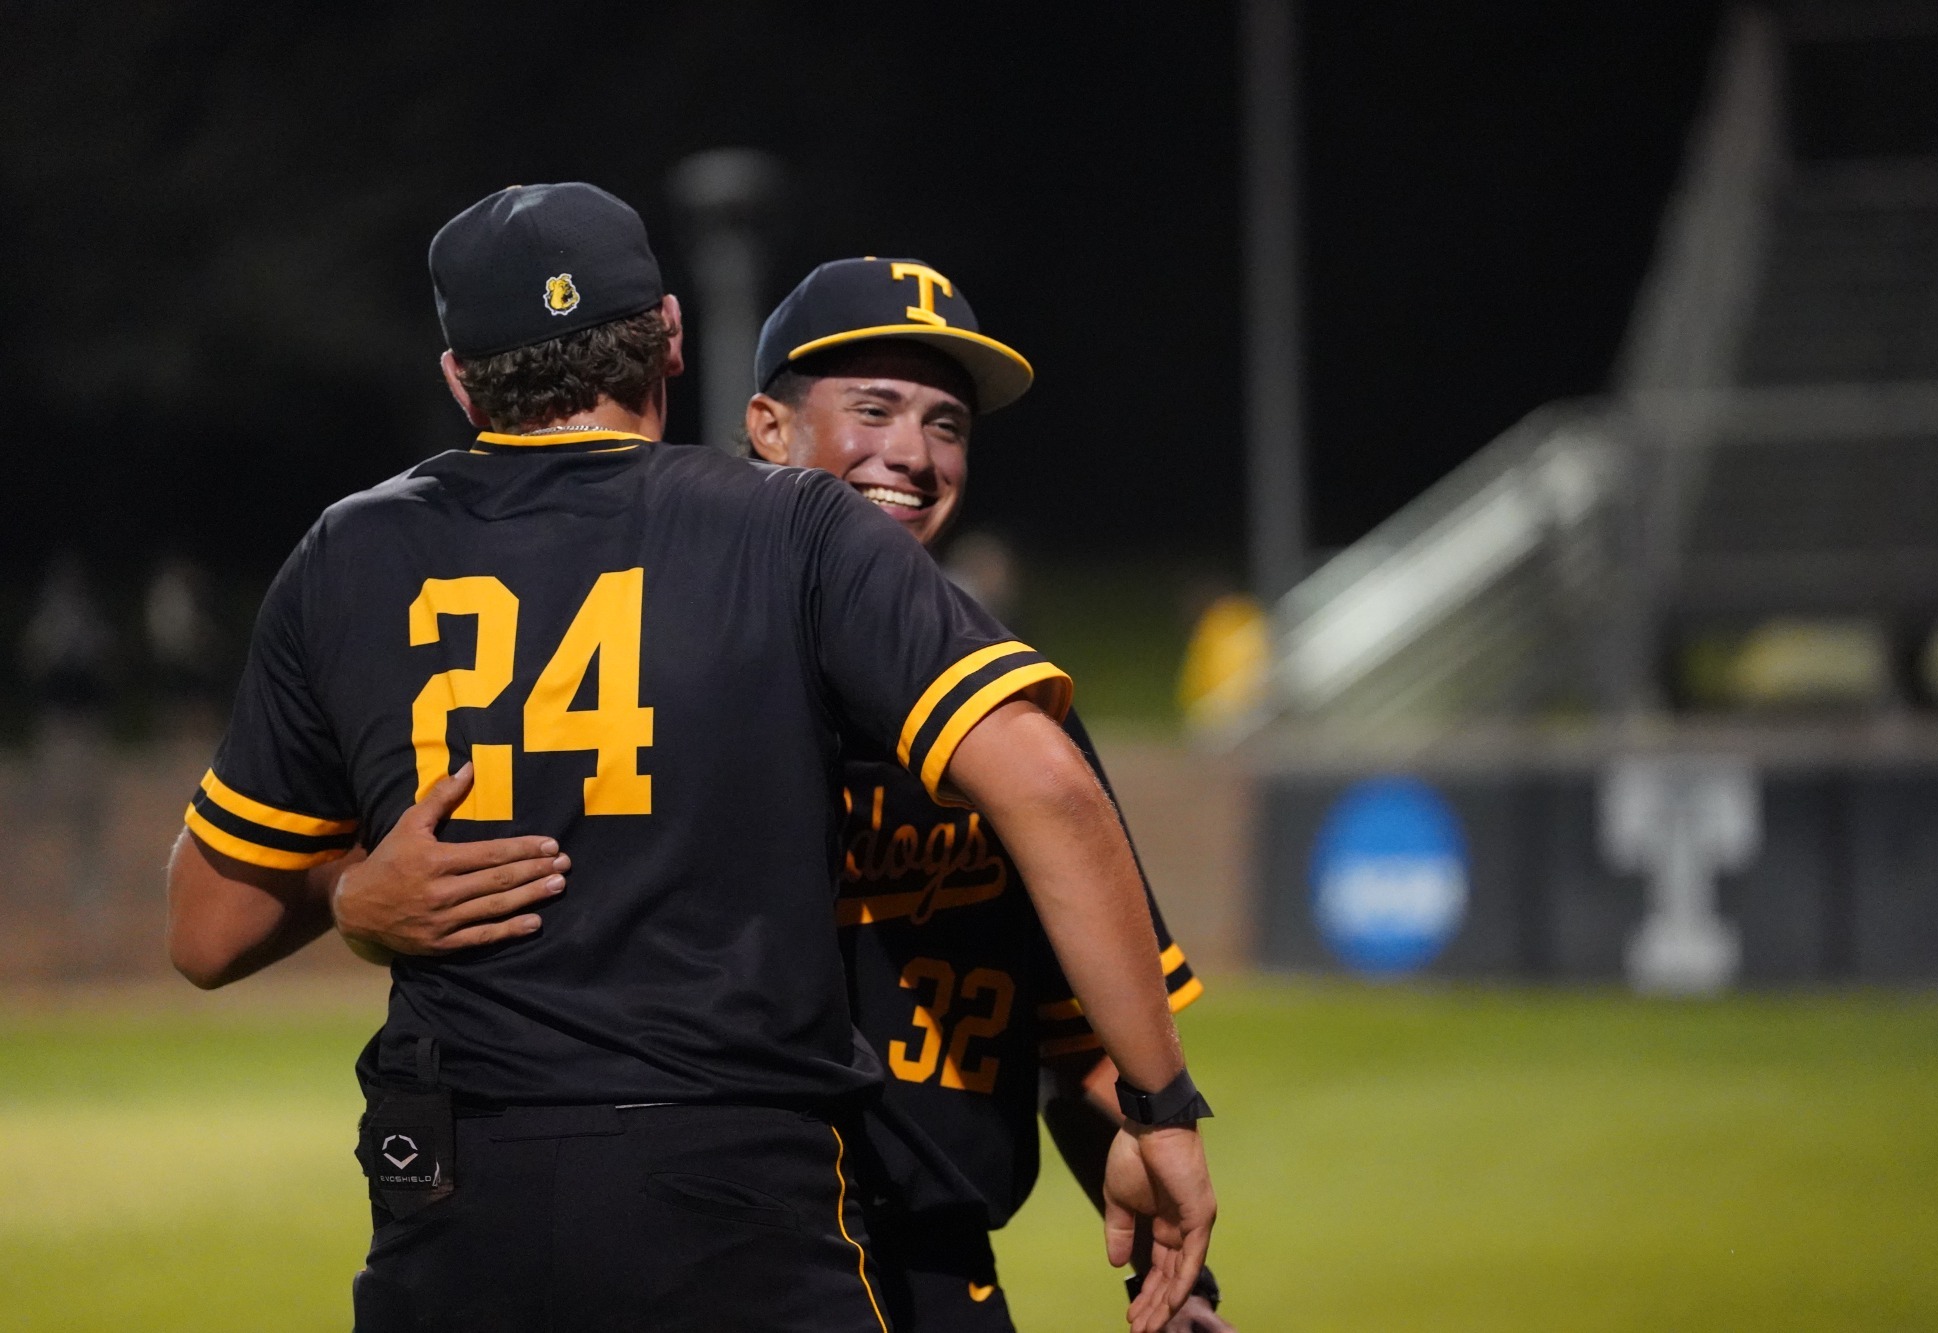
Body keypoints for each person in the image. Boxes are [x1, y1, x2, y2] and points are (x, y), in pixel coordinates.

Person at [165, 184, 1215, 1333]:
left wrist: (354, 897)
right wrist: (1165, 1112)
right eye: (873, 405)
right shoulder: (791, 537)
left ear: (461, 378)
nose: (909, 454)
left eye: (946, 420)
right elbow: (1050, 793)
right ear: (672, 337)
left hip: (460, 1197)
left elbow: (205, 931)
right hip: (741, 1189)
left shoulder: (349, 552)